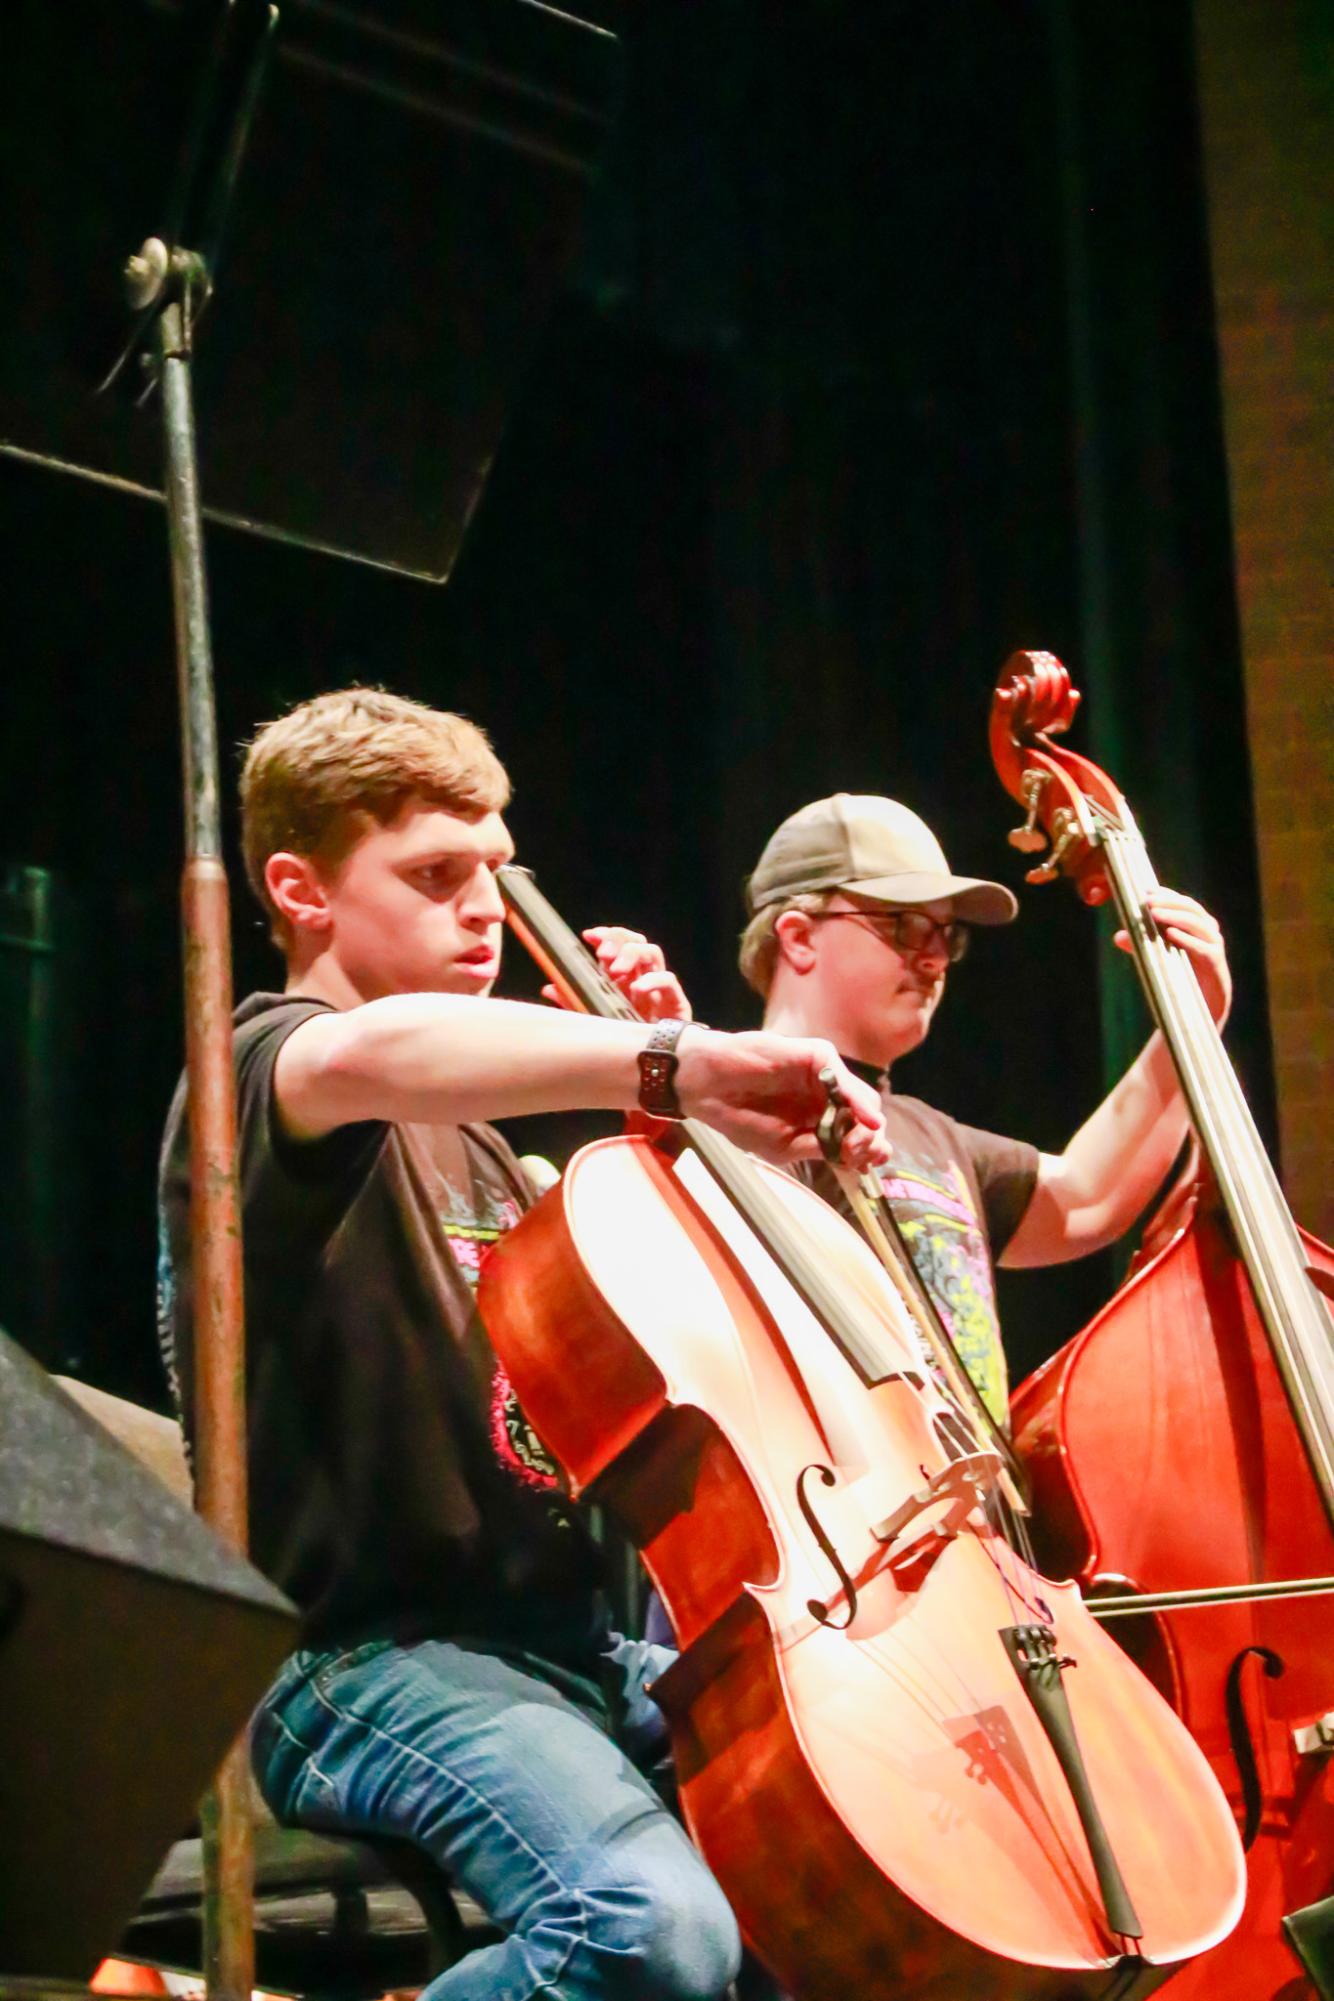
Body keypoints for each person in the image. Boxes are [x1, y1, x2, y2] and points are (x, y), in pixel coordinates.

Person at [156, 689, 887, 2001]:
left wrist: (687, 1131)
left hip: (574, 1646)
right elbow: (380, 1050)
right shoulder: (263, 1070)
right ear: (298, 889)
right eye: (433, 875)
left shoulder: (494, 1147)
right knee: (643, 1926)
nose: (482, 908)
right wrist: (660, 1056)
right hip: (367, 1659)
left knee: (846, 1872)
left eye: (494, 871)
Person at [734, 792, 1232, 1422]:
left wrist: (1194, 1020)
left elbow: (1085, 1197)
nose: (934, 957)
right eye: (901, 925)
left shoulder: (935, 1138)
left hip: (976, 1514)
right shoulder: (739, 1114)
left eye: (946, 934)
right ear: (800, 938)